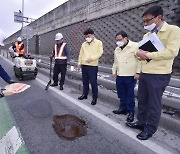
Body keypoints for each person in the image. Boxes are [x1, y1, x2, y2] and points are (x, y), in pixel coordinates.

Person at [126, 5, 180, 140]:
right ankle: (141, 122)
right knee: (142, 100)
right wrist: (138, 54)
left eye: (148, 21)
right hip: (145, 72)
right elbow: (139, 52)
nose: (145, 24)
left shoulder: (173, 30)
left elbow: (171, 52)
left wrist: (148, 55)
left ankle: (149, 129)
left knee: (154, 104)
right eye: (143, 21)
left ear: (159, 18)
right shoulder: (148, 34)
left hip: (160, 74)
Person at [112, 31, 140, 122]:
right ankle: (122, 109)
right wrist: (114, 71)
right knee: (121, 93)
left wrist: (138, 72)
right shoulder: (117, 49)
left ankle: (131, 112)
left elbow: (140, 60)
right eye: (117, 40)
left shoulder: (135, 46)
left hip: (130, 75)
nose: (118, 42)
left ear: (125, 38)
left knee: (130, 95)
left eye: (120, 39)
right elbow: (115, 62)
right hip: (120, 74)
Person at [78, 28, 103, 105]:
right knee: (85, 81)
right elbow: (81, 54)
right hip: (84, 65)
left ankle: (94, 98)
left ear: (93, 35)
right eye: (85, 37)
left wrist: (92, 58)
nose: (87, 38)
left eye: (88, 36)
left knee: (93, 82)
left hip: (92, 66)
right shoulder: (84, 44)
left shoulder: (98, 43)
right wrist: (79, 63)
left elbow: (100, 53)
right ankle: (85, 94)